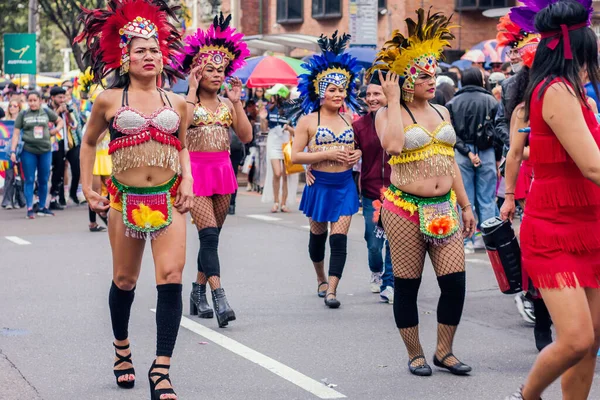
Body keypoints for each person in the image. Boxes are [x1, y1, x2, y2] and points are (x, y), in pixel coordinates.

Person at [76, 1, 194, 398]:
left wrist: (189, 180)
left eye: (155, 49)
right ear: (125, 57)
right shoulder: (109, 99)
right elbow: (89, 141)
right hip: (125, 200)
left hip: (168, 197)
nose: (149, 55)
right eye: (140, 49)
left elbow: (182, 146)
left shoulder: (177, 102)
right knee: (125, 280)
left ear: (164, 58)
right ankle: (122, 348)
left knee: (171, 277)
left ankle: (161, 368)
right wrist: (86, 184)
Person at [500, 1, 600, 399]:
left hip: (588, 222)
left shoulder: (576, 93)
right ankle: (527, 396)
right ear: (578, 45)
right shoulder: (554, 90)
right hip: (555, 226)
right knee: (575, 339)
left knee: (592, 341)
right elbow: (593, 167)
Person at [370, 9, 476, 376]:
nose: (433, 80)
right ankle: (415, 353)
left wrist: (465, 204)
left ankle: (443, 351)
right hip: (403, 209)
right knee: (407, 284)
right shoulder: (387, 113)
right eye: (425, 75)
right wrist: (394, 99)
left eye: (435, 73)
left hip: (444, 206)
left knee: (455, 284)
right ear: (406, 78)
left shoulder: (443, 112)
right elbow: (394, 146)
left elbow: (450, 164)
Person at [174, 13, 252, 328]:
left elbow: (246, 136)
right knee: (208, 237)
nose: (217, 75)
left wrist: (238, 103)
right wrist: (191, 92)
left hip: (223, 173)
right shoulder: (186, 102)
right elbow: (180, 129)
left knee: (212, 239)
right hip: (196, 174)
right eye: (210, 69)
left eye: (221, 70)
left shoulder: (228, 104)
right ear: (197, 72)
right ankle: (220, 297)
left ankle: (196, 292)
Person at [290, 31, 364, 309]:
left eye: (342, 89)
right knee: (317, 239)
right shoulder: (308, 121)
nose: (338, 94)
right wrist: (323, 155)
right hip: (318, 185)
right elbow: (296, 155)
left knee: (340, 238)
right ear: (320, 91)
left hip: (344, 184)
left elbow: (360, 148)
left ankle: (333, 289)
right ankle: (321, 277)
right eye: (332, 89)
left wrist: (358, 153)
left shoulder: (350, 119)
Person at [497, 11, 555, 352]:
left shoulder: (578, 91)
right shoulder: (516, 97)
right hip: (533, 180)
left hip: (572, 178)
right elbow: (513, 148)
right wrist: (508, 195)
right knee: (538, 254)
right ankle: (541, 316)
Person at [447, 68, 499, 252]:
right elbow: (498, 131)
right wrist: (498, 157)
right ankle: (487, 238)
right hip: (486, 152)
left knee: (464, 199)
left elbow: (450, 134)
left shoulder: (452, 103)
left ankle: (466, 239)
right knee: (487, 198)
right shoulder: (491, 101)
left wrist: (467, 152)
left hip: (462, 153)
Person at [353, 83, 394, 301]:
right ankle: (376, 271)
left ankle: (389, 283)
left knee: (394, 240)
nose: (371, 98)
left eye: (377, 94)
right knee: (373, 242)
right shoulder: (359, 125)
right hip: (370, 192)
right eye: (368, 94)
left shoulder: (398, 122)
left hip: (397, 192)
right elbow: (350, 152)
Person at [10, 91, 64, 219]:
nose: (32, 103)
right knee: (29, 179)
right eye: (30, 100)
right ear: (27, 102)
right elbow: (16, 134)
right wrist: (12, 151)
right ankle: (29, 208)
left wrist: (55, 130)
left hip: (45, 150)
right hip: (28, 151)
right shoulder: (23, 114)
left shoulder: (46, 112)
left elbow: (60, 121)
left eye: (35, 100)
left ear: (40, 100)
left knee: (44, 180)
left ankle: (42, 207)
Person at [48, 86, 83, 210]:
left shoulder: (70, 108)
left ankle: (73, 193)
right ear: (53, 98)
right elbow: (48, 124)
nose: (62, 100)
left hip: (72, 143)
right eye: (60, 97)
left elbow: (75, 125)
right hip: (57, 144)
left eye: (64, 97)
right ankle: (58, 198)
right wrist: (57, 113)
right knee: (59, 170)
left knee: (77, 169)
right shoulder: (48, 109)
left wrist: (68, 114)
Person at [2, 100, 26, 210]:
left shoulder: (23, 121)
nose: (12, 108)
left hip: (21, 151)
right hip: (7, 153)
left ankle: (19, 200)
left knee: (20, 177)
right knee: (9, 176)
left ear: (19, 108)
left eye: (14, 106)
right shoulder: (4, 122)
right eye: (10, 106)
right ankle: (7, 201)